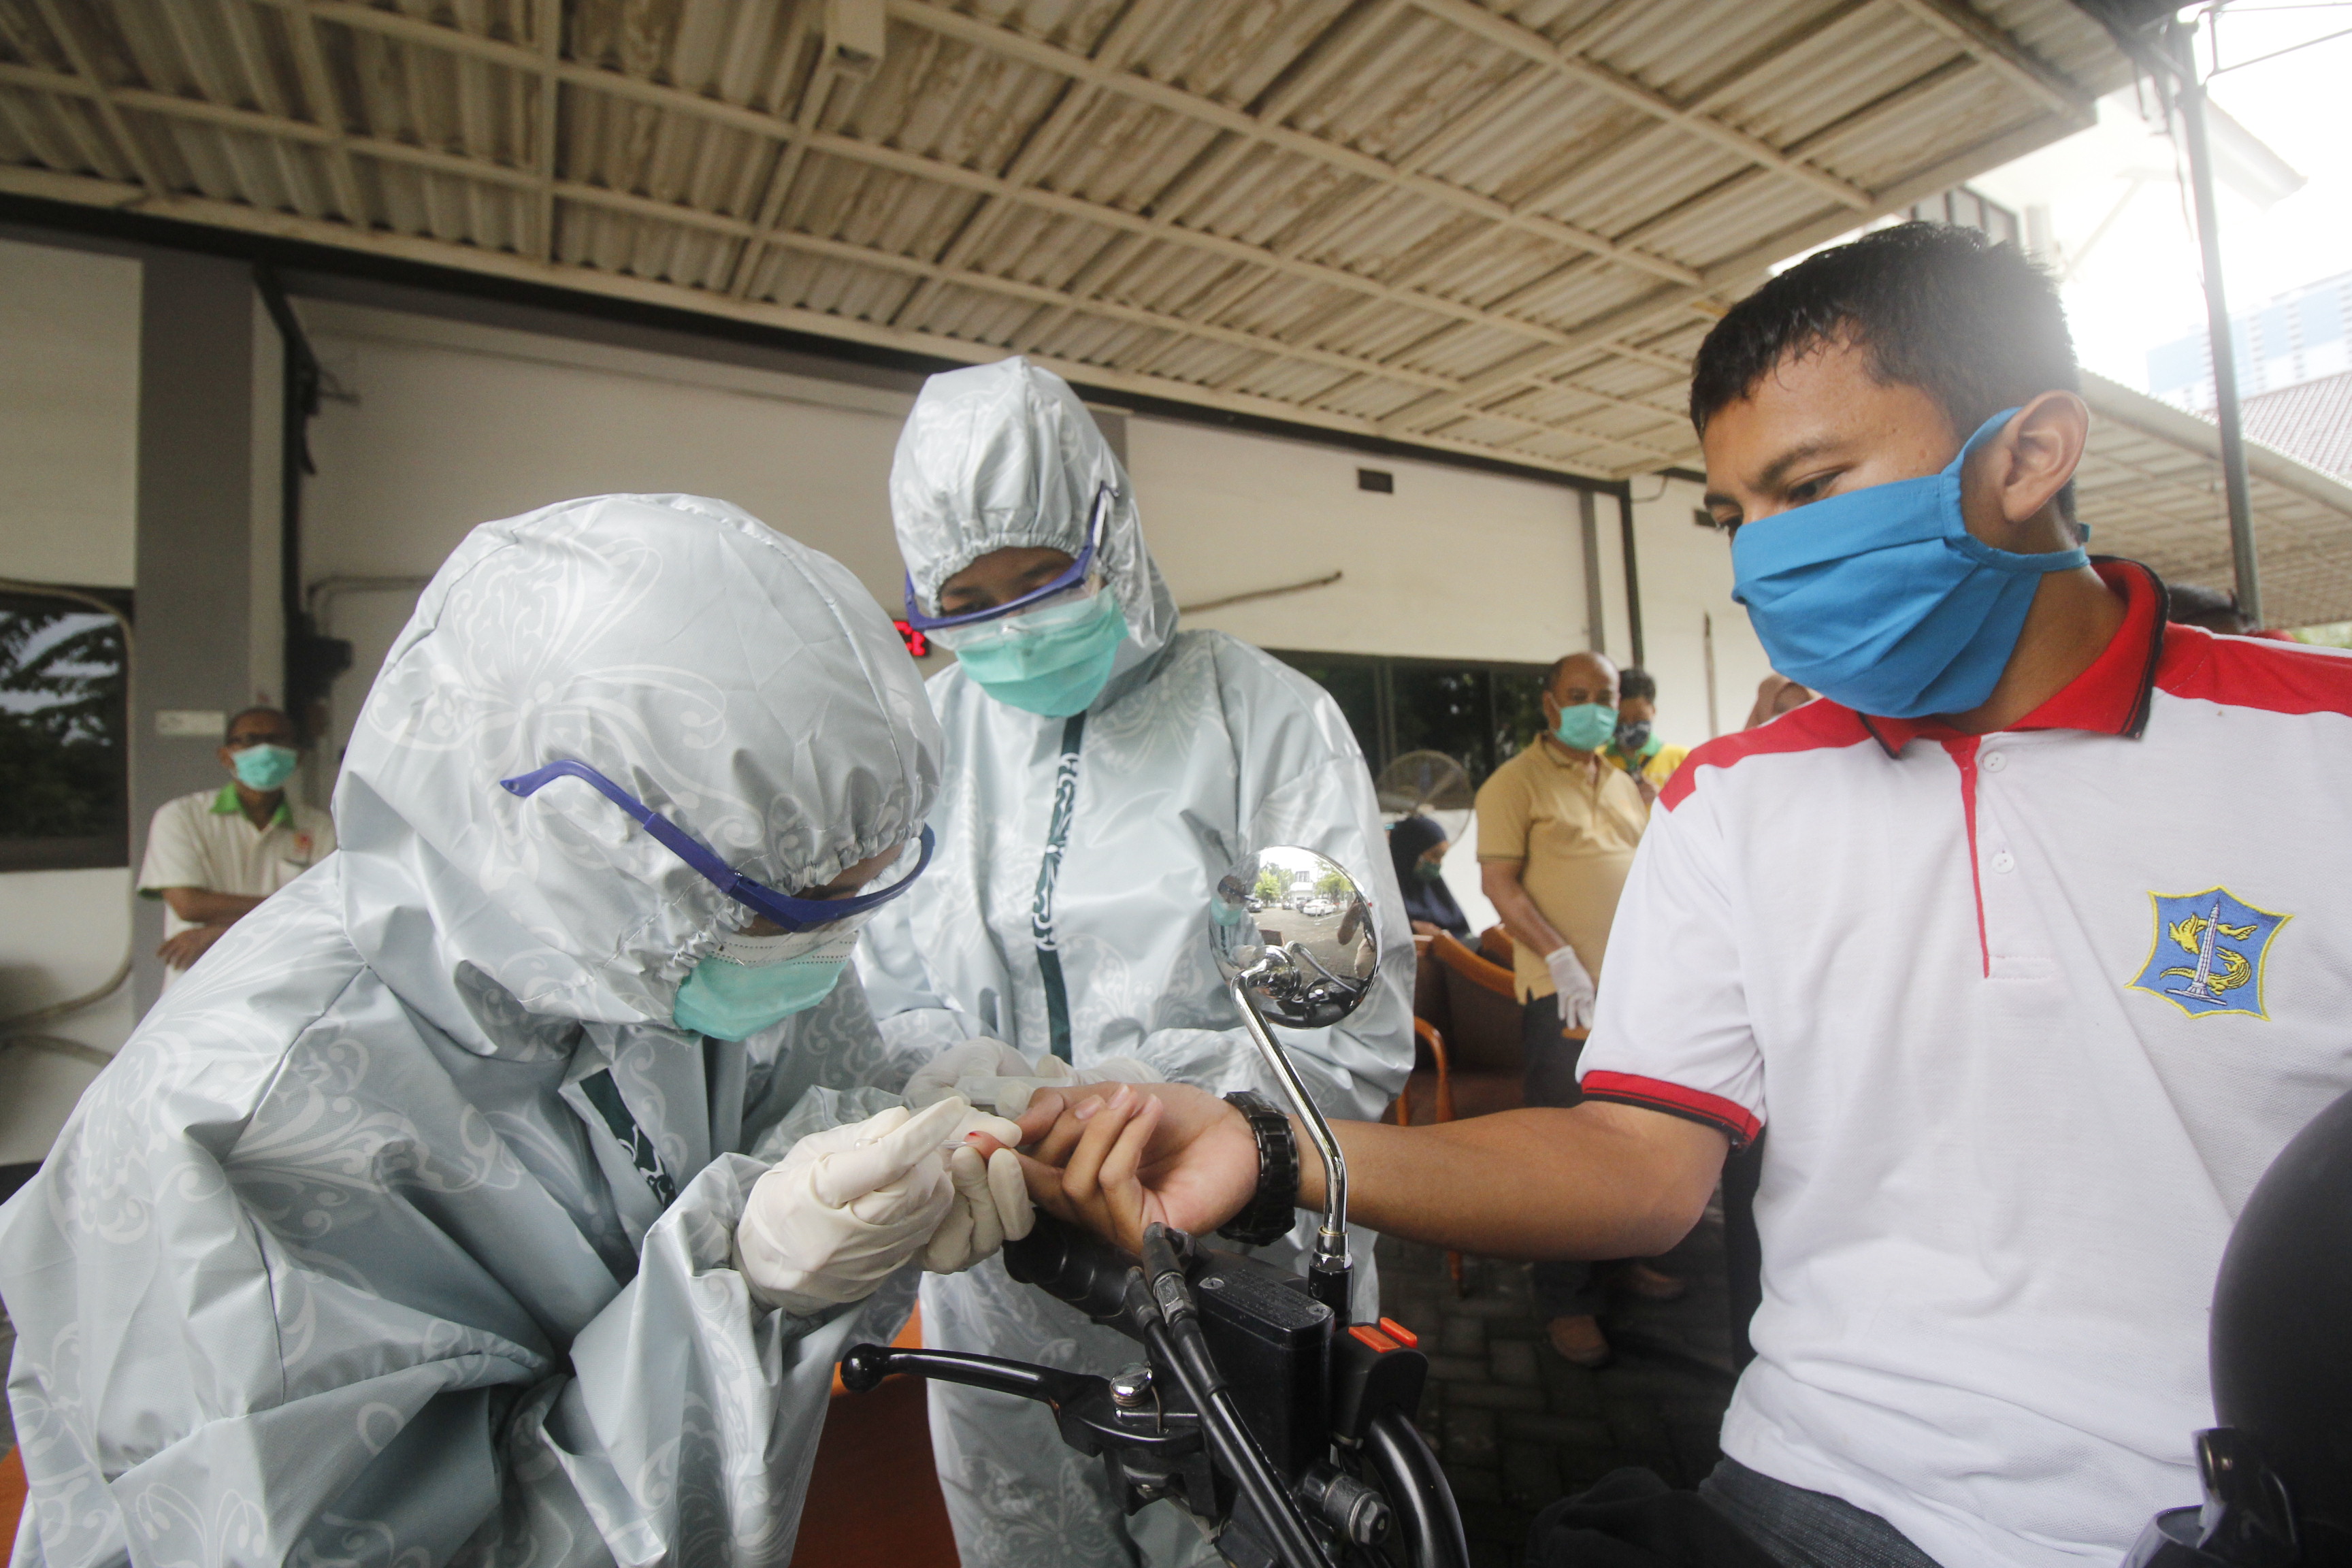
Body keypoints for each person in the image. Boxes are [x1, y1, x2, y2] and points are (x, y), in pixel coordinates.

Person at [1005, 223, 2352, 1568]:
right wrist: (1279, 1153)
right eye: (1734, 517)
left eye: (1811, 489)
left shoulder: (2318, 753)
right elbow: (1637, 1168)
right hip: (1809, 1493)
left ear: (2030, 454)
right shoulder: (1733, 801)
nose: (1761, 564)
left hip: (2243, 1506)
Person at [1, 495, 1032, 1568]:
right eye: (790, 908)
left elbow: (807, 1088)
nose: (818, 948)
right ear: (578, 839)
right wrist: (746, 1289)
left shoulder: (648, 944)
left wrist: (914, 1106)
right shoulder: (238, 1138)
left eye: (856, 895)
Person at [858, 358, 1414, 1568]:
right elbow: (878, 996)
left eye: (1042, 575)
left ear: (1108, 532)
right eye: (970, 595)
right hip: (1006, 1263)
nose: (1011, 621)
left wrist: (1144, 1106)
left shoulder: (1261, 723)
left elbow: (1347, 1030)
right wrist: (970, 1091)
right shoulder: (921, 747)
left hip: (1238, 1254)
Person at [1475, 650, 1675, 1367]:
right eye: (1578, 693)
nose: (1594, 705)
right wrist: (1560, 958)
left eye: (1606, 694)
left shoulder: (1625, 782)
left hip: (1635, 995)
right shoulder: (1512, 782)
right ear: (1550, 704)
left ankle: (1620, 1260)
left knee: (1634, 1134)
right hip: (1564, 999)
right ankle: (1565, 1297)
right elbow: (1501, 885)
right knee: (1567, 1149)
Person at [135, 704, 336, 981]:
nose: (265, 750)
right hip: (202, 981)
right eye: (250, 740)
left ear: (298, 756)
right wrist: (289, 909)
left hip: (284, 977)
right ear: (225, 756)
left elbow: (327, 910)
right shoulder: (180, 816)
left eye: (278, 741)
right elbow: (189, 905)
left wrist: (220, 931)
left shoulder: (320, 828)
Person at [1601, 667, 1689, 802]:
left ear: (1653, 711)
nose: (1630, 725)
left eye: (1638, 718)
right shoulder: (1596, 760)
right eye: (1622, 719)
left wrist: (1663, 801)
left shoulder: (1682, 759)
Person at [1389, 810, 1470, 938]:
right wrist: (1412, 928)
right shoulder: (1385, 895)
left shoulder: (1436, 890)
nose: (1439, 863)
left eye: (1442, 856)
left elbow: (1462, 932)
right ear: (1410, 853)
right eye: (1435, 855)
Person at [1742, 672, 1814, 730]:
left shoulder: (1822, 744)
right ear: (1764, 711)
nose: (1792, 716)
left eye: (1802, 708)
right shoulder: (1748, 747)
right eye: (1781, 710)